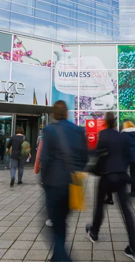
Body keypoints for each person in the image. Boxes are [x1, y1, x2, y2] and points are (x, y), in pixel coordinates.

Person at [86, 112, 135, 262]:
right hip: (121, 176)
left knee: (99, 206)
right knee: (126, 212)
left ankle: (94, 232)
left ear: (105, 122)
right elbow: (128, 156)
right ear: (116, 123)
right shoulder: (122, 136)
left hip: (106, 176)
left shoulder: (103, 135)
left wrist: (94, 170)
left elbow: (99, 155)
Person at [40, 101, 88, 262]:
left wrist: (44, 182)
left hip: (54, 185)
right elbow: (85, 158)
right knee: (62, 221)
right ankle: (57, 257)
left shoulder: (49, 130)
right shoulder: (78, 130)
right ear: (66, 114)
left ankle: (63, 258)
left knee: (53, 223)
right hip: (73, 185)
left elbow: (45, 160)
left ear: (53, 114)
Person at [34, 134, 53, 228]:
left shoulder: (45, 136)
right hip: (61, 171)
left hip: (47, 170)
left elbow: (39, 154)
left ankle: (51, 218)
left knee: (49, 195)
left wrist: (36, 169)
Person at [122, 120, 135, 197]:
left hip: (126, 156)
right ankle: (133, 191)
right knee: (132, 173)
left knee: (123, 172)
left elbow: (122, 146)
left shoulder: (123, 134)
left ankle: (124, 188)